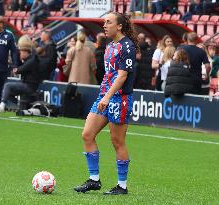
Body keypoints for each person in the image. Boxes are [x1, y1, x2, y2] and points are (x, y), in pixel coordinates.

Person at [74, 12, 138, 195]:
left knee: (117, 142)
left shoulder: (128, 46)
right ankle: (94, 180)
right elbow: (109, 75)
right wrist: (104, 95)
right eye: (104, 22)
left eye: (108, 22)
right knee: (87, 134)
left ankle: (122, 186)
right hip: (105, 96)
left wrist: (107, 96)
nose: (104, 25)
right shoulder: (110, 46)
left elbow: (122, 76)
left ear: (119, 26)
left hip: (119, 99)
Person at [0, 35, 41, 113]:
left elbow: (18, 70)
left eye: (20, 52)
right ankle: (16, 105)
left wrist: (16, 67)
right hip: (26, 84)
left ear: (25, 52)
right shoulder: (29, 59)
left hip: (30, 87)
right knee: (7, 90)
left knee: (7, 85)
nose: (19, 53)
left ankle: (2, 104)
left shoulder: (32, 61)